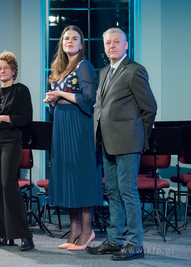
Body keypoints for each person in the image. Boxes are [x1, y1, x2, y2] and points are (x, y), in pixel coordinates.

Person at [87, 28, 157, 260]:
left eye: (117, 42)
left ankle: (135, 243)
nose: (112, 46)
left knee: (128, 191)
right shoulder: (105, 71)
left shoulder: (135, 70)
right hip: (107, 141)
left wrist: (138, 135)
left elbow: (149, 108)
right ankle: (114, 240)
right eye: (108, 42)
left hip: (128, 142)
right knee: (113, 192)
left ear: (126, 45)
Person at [43, 25, 103, 250]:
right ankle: (75, 231)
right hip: (62, 127)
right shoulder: (61, 69)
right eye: (66, 38)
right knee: (68, 179)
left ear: (81, 43)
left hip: (79, 129)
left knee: (82, 179)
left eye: (74, 38)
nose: (69, 41)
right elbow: (64, 101)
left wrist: (60, 94)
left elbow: (89, 99)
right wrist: (53, 102)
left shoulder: (84, 65)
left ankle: (87, 232)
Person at [0, 51, 34, 251]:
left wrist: (2, 118)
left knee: (8, 184)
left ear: (13, 70)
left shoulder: (21, 90)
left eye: (5, 67)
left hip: (11, 139)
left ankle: (25, 236)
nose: (2, 71)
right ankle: (4, 234)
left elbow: (25, 117)